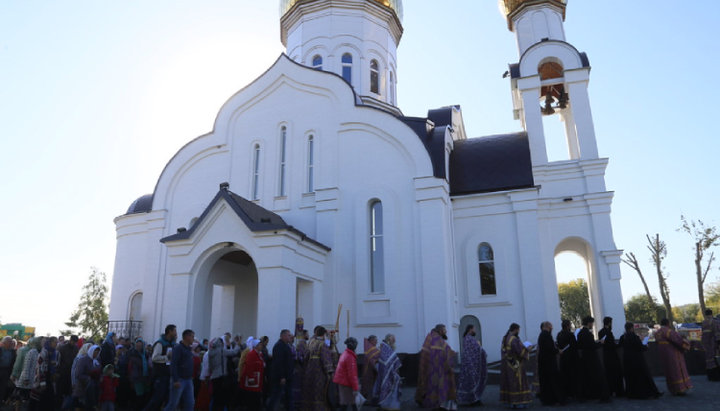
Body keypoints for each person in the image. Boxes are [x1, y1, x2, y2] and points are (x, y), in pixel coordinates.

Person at [415, 324, 457, 410]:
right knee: (441, 385)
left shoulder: (430, 337)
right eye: (445, 330)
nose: (446, 332)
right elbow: (446, 352)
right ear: (441, 330)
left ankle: (429, 401)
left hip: (429, 367)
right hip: (439, 368)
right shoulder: (437, 339)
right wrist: (451, 354)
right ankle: (440, 404)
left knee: (430, 384)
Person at [618, 322, 662, 399]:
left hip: (627, 360)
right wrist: (645, 342)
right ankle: (650, 393)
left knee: (630, 378)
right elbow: (641, 347)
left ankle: (631, 394)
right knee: (643, 377)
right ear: (632, 328)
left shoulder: (623, 337)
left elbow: (620, 346)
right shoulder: (634, 337)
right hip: (637, 360)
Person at [299, 326, 335, 411]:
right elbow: (326, 358)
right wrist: (330, 372)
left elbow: (305, 357)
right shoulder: (322, 344)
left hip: (309, 371)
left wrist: (328, 336)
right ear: (323, 334)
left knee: (310, 392)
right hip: (319, 373)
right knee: (319, 393)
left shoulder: (311, 342)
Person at [655, 318, 692, 395]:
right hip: (673, 354)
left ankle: (672, 389)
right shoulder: (669, 331)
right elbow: (678, 341)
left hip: (663, 355)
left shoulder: (657, 332)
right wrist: (687, 343)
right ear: (668, 323)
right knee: (676, 371)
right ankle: (679, 389)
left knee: (669, 372)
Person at [499, 323, 532, 408]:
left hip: (507, 364)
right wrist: (527, 349)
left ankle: (510, 402)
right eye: (518, 330)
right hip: (516, 364)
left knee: (509, 382)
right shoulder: (513, 339)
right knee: (517, 382)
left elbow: (504, 351)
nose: (519, 332)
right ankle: (518, 402)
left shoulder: (505, 337)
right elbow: (520, 352)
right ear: (516, 329)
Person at [144, 324, 177, 411]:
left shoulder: (172, 344)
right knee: (157, 399)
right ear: (169, 331)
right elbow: (154, 358)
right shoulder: (160, 343)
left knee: (167, 399)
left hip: (169, 374)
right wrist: (167, 357)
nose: (176, 333)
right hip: (160, 375)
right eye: (174, 331)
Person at [577, 316, 610, 402]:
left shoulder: (580, 333)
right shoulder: (588, 334)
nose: (592, 325)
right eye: (592, 323)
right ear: (589, 323)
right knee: (598, 376)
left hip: (584, 357)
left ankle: (590, 394)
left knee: (587, 376)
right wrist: (601, 343)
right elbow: (592, 346)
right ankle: (601, 395)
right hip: (592, 357)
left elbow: (580, 345)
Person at [164, 329, 196, 411]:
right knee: (173, 404)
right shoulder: (178, 348)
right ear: (186, 337)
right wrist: (175, 380)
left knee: (190, 403)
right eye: (192, 336)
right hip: (179, 379)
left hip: (188, 379)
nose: (193, 339)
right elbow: (173, 364)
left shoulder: (189, 349)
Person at [456, 325, 487, 406]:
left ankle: (474, 399)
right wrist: (480, 347)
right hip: (470, 365)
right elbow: (476, 349)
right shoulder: (469, 339)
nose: (475, 330)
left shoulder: (467, 338)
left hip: (469, 364)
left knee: (471, 383)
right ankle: (473, 400)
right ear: (470, 329)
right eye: (474, 329)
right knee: (472, 382)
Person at [208, 333, 240, 411]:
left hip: (214, 376)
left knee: (215, 398)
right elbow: (234, 352)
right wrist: (237, 344)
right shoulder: (222, 351)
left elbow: (211, 366)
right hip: (221, 377)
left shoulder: (210, 352)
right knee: (221, 399)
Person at [537, 321, 564, 406]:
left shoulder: (542, 335)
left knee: (546, 382)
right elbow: (549, 348)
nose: (552, 328)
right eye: (551, 326)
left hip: (544, 362)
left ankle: (547, 399)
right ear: (547, 326)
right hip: (549, 363)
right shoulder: (546, 335)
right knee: (552, 381)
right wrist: (557, 351)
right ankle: (553, 399)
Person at [31, 336, 60, 410]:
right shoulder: (44, 352)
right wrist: (42, 382)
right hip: (42, 378)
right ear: (50, 343)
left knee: (48, 400)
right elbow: (40, 367)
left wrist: (54, 366)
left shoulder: (54, 352)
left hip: (49, 378)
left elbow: (54, 364)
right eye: (54, 342)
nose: (56, 344)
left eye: (57, 342)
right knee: (38, 400)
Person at [268, 329, 294, 411]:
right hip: (280, 377)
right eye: (288, 335)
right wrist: (282, 376)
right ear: (283, 336)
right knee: (276, 396)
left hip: (287, 376)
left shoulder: (286, 345)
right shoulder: (279, 346)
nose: (290, 337)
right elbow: (279, 363)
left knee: (288, 396)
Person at [373, 334, 401, 411]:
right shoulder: (385, 349)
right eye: (393, 340)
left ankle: (391, 405)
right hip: (387, 373)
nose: (394, 342)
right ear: (389, 340)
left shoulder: (387, 348)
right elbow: (386, 361)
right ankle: (386, 405)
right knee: (386, 388)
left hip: (391, 373)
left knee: (391, 390)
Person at [598, 317, 624, 397]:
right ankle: (618, 391)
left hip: (606, 355)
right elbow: (612, 345)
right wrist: (620, 343)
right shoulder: (609, 332)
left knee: (608, 374)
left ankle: (610, 390)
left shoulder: (600, 332)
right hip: (612, 355)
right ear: (609, 323)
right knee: (616, 373)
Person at [333, 337, 360, 411]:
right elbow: (352, 374)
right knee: (349, 403)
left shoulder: (345, 354)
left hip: (342, 382)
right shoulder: (350, 357)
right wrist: (355, 388)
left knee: (346, 403)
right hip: (347, 384)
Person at [555, 320, 580, 399]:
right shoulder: (570, 334)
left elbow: (558, 345)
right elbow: (574, 346)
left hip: (563, 358)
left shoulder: (559, 334)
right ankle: (574, 393)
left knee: (565, 376)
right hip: (571, 358)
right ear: (568, 326)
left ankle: (567, 393)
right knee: (573, 376)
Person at [239, 338, 265, 411]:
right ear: (255, 346)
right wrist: (251, 378)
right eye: (259, 345)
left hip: (258, 379)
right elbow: (249, 366)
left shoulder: (259, 354)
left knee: (256, 399)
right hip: (253, 380)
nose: (261, 346)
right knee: (252, 399)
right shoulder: (251, 354)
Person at [128, 338, 150, 409]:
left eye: (140, 346)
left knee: (145, 395)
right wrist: (131, 379)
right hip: (137, 378)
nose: (138, 347)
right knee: (138, 395)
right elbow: (130, 368)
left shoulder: (146, 354)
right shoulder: (132, 354)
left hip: (145, 377)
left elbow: (149, 365)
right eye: (137, 346)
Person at [57, 335, 79, 408]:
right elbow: (58, 360)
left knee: (68, 391)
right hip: (62, 372)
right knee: (60, 391)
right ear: (70, 340)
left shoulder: (76, 348)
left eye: (75, 342)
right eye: (73, 341)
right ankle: (58, 406)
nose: (74, 343)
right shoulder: (62, 348)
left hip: (71, 373)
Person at [701, 308, 720, 381]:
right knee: (715, 359)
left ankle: (710, 377)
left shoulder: (704, 322)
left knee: (709, 360)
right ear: (711, 314)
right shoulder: (715, 322)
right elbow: (717, 333)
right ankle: (716, 377)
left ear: (706, 315)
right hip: (713, 343)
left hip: (706, 343)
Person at [360, 335, 379, 404]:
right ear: (371, 341)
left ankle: (367, 398)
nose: (377, 341)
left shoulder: (370, 348)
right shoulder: (371, 349)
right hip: (369, 370)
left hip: (370, 370)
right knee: (368, 383)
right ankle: (366, 399)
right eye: (375, 340)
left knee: (369, 383)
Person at [0, 336, 17, 405]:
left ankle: (0, 401)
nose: (10, 343)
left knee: (3, 387)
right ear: (4, 342)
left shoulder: (13, 352)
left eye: (11, 342)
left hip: (7, 371)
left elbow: (14, 362)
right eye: (9, 342)